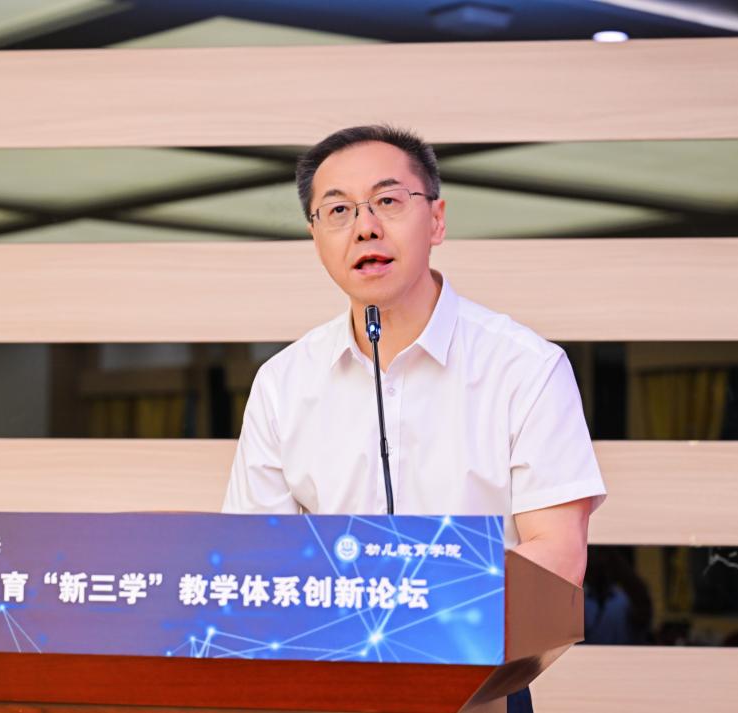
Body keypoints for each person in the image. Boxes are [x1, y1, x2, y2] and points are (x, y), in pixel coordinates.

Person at [222, 125, 607, 712]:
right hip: (327, 691)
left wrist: (412, 611)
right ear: (315, 236)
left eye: (388, 200)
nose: (365, 227)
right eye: (338, 210)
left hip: (478, 691)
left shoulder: (525, 367)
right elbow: (254, 561)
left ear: (437, 220)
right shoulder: (282, 383)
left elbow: (558, 556)